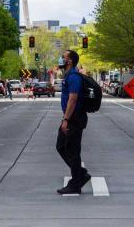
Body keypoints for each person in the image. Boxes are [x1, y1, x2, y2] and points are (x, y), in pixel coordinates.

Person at [56, 50, 90, 195]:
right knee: (62, 147)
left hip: (74, 118)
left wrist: (66, 120)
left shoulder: (74, 77)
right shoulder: (69, 75)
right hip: (72, 117)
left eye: (63, 57)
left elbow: (73, 99)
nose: (60, 59)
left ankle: (76, 183)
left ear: (69, 61)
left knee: (72, 151)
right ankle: (80, 174)